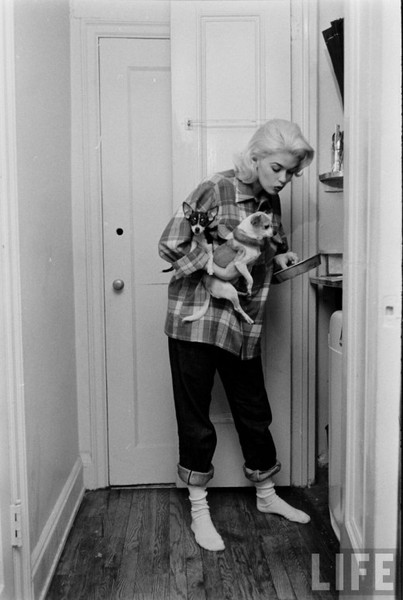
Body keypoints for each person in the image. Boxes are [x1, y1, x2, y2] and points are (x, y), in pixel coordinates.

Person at [158, 119, 314, 552]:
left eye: (291, 173)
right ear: (256, 157)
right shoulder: (216, 188)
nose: (284, 180)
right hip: (196, 321)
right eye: (278, 168)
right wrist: (210, 271)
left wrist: (284, 256)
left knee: (253, 410)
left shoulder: (270, 203)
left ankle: (267, 497)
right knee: (196, 418)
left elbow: (265, 253)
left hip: (243, 322)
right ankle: (199, 510)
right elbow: (171, 242)